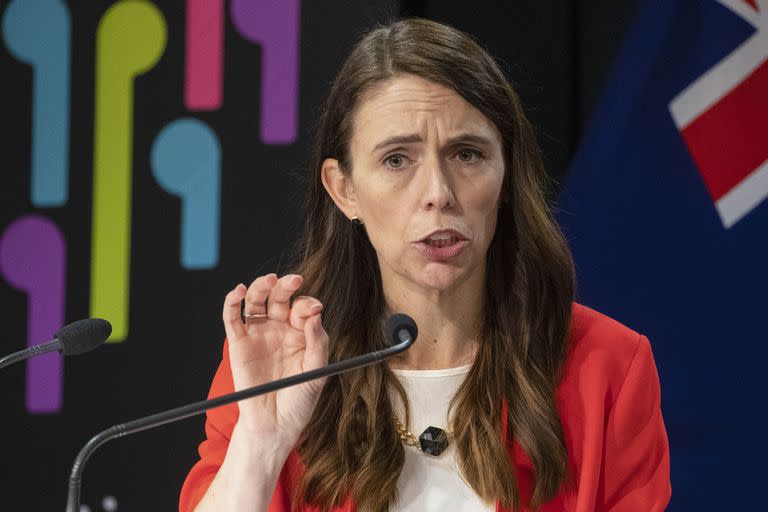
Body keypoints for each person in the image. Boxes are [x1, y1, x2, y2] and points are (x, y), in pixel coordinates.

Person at [180, 17, 671, 512]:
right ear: (343, 189)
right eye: (397, 159)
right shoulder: (282, 362)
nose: (439, 194)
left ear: (505, 175)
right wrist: (262, 442)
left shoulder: (608, 367)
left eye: (467, 154)